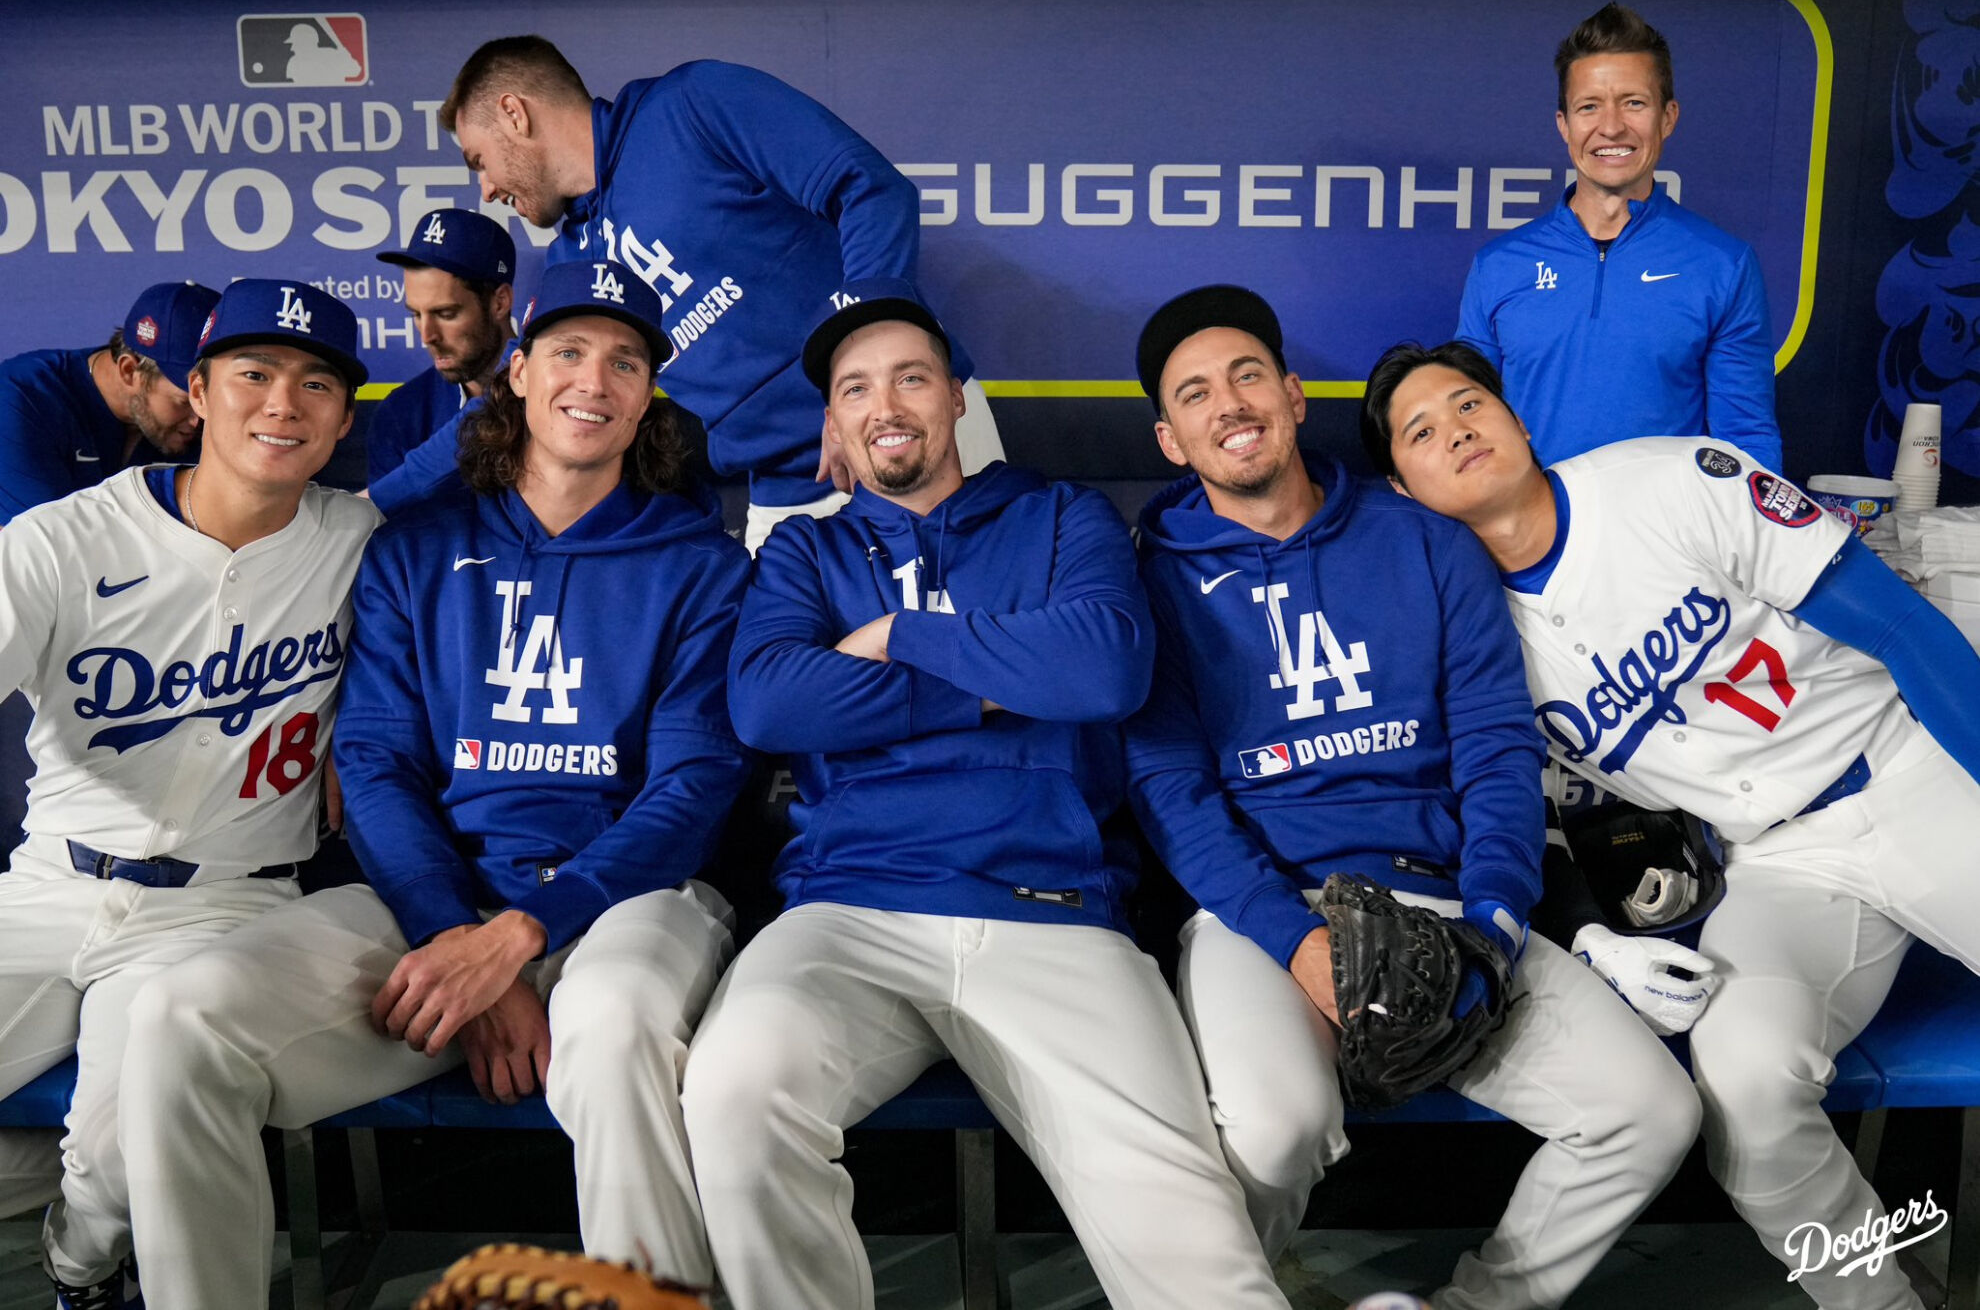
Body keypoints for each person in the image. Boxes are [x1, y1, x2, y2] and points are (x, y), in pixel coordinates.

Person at [113, 260, 751, 1309]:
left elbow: (689, 791)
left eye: (626, 361)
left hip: (630, 902)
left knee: (620, 1021)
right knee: (182, 1016)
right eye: (569, 352)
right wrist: (458, 933)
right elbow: (372, 762)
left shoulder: (702, 564)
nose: (594, 380)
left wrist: (515, 938)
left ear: (647, 396)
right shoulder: (415, 550)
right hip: (439, 902)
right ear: (516, 372)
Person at [681, 281, 1290, 1310]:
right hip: (852, 908)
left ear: (957, 397)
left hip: (1051, 912)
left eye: (912, 378)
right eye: (856, 388)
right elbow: (771, 702)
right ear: (831, 421)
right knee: (735, 1090)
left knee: (1197, 1247)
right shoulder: (807, 548)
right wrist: (1003, 684)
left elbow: (1104, 672)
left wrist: (899, 640)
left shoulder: (1061, 516)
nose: (887, 405)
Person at [1366, 337, 1980, 1310]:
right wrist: (1596, 938)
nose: (1458, 430)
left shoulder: (1668, 481)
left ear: (1518, 418)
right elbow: (1524, 820)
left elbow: (1902, 630)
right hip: (1779, 864)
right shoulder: (1470, 638)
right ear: (1404, 488)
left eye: (1469, 403)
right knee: (1745, 1092)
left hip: (1905, 768)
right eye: (1423, 430)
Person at [1125, 286, 1700, 1309]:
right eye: (1197, 394)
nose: (1232, 404)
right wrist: (1294, 942)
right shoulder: (1150, 578)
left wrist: (1493, 925)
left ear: (1295, 396)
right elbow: (1171, 790)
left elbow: (1493, 752)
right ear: (1173, 439)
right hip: (1268, 912)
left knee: (1650, 1109)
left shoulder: (1426, 542)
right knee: (1273, 1125)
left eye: (1249, 374)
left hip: (1441, 896)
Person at [0, 279, 373, 1309]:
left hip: (222, 904)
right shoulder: (64, 540)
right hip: (47, 885)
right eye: (252, 374)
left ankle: (80, 1271)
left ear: (345, 420)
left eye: (314, 385)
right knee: (99, 1155)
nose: (281, 405)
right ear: (195, 392)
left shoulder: (360, 543)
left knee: (125, 1156)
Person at [370, 35, 1002, 550]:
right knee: (784, 693)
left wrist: (856, 393)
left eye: (479, 160)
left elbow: (869, 189)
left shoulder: (693, 105)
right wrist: (372, 506)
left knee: (978, 655)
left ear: (514, 112)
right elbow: (507, 402)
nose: (484, 191)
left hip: (910, 430)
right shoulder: (573, 257)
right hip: (788, 488)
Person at [1455, 2, 1782, 469]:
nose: (1611, 126)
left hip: (1666, 537)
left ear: (1667, 117)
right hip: (1529, 534)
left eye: (1634, 102)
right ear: (1564, 125)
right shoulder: (1498, 266)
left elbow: (1746, 440)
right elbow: (1468, 424)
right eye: (1589, 106)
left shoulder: (1722, 264)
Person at [0, 280, 221, 525]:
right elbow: (46, 541)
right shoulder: (23, 397)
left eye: (214, 401)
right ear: (128, 371)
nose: (201, 418)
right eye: (184, 401)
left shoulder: (218, 419)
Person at [368, 207, 517, 486]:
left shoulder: (558, 393)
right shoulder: (400, 414)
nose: (427, 335)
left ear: (500, 302)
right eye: (416, 314)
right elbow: (388, 523)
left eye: (446, 314)